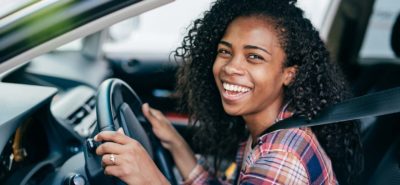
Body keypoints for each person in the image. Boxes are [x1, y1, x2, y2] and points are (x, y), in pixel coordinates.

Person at [94, 0, 363, 184]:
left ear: (288, 74)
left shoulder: (280, 161)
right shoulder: (268, 127)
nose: (231, 67)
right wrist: (176, 144)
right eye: (225, 51)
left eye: (254, 57)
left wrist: (151, 178)